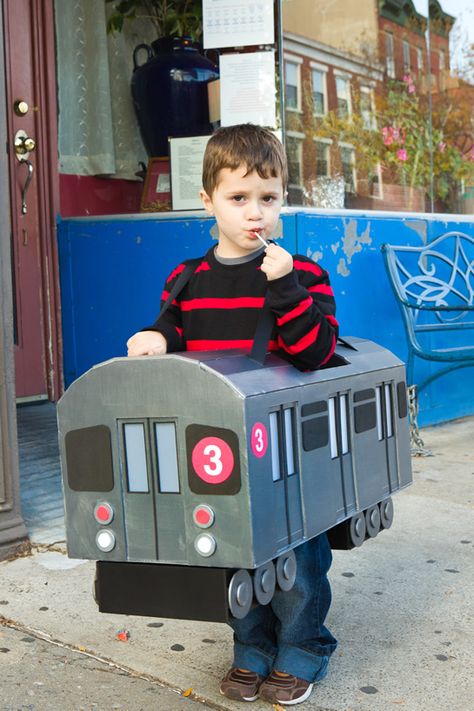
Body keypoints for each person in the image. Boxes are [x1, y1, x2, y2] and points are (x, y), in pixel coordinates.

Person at [127, 123, 338, 706]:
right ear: (208, 202)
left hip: (287, 441)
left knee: (296, 554)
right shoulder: (188, 279)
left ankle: (302, 649)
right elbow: (171, 325)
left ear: (283, 201)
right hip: (214, 443)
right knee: (228, 548)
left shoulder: (305, 275)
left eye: (268, 199)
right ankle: (251, 649)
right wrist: (154, 335)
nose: (256, 214)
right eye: (238, 198)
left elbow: (317, 352)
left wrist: (287, 288)